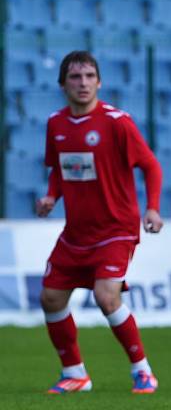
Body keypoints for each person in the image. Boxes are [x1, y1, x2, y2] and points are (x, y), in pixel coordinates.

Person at [36, 51, 163, 392]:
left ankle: (142, 370)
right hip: (76, 233)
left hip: (116, 230)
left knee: (106, 296)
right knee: (50, 298)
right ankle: (75, 373)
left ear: (99, 82)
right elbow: (60, 170)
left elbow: (151, 165)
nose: (83, 83)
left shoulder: (116, 122)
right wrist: (51, 196)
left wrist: (151, 208)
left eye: (90, 76)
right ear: (63, 84)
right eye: (75, 77)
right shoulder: (56, 124)